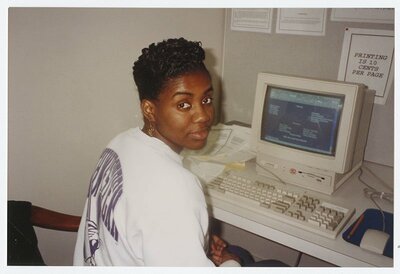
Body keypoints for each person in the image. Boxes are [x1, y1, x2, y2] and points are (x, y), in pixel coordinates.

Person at [73, 37, 288, 267]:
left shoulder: (119, 143)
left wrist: (195, 238)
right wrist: (231, 263)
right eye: (184, 104)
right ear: (149, 110)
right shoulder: (176, 188)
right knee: (261, 261)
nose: (203, 115)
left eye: (207, 99)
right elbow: (163, 208)